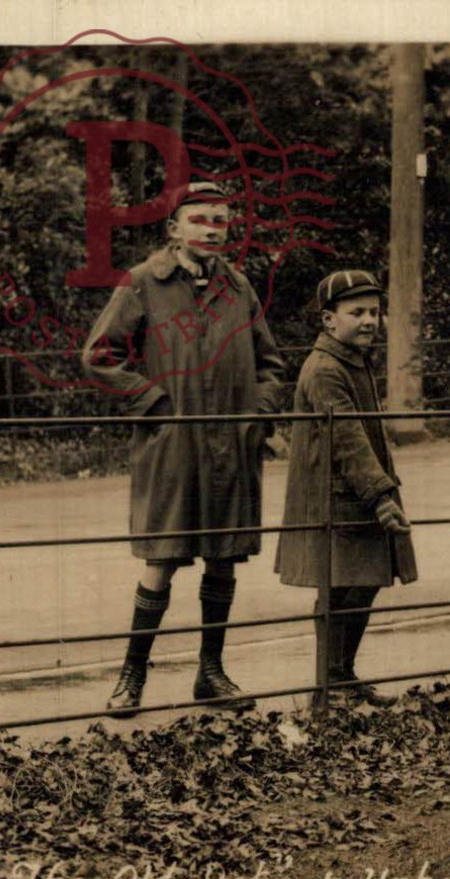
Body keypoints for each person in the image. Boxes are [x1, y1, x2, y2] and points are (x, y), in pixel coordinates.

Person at [83, 181, 288, 716]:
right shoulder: (143, 283)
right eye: (200, 220)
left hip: (232, 448)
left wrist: (260, 416)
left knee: (224, 561)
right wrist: (153, 405)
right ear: (174, 229)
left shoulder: (239, 287)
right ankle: (131, 678)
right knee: (163, 559)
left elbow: (271, 364)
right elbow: (100, 355)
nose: (213, 230)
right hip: (172, 448)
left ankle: (211, 673)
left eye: (221, 221)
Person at [275, 270, 418, 705]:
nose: (370, 320)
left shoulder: (352, 360)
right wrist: (380, 494)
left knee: (363, 581)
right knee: (339, 585)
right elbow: (347, 436)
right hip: (336, 495)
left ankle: (340, 675)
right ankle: (327, 686)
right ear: (328, 319)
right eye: (356, 312)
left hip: (354, 490)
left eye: (374, 311)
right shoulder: (325, 368)